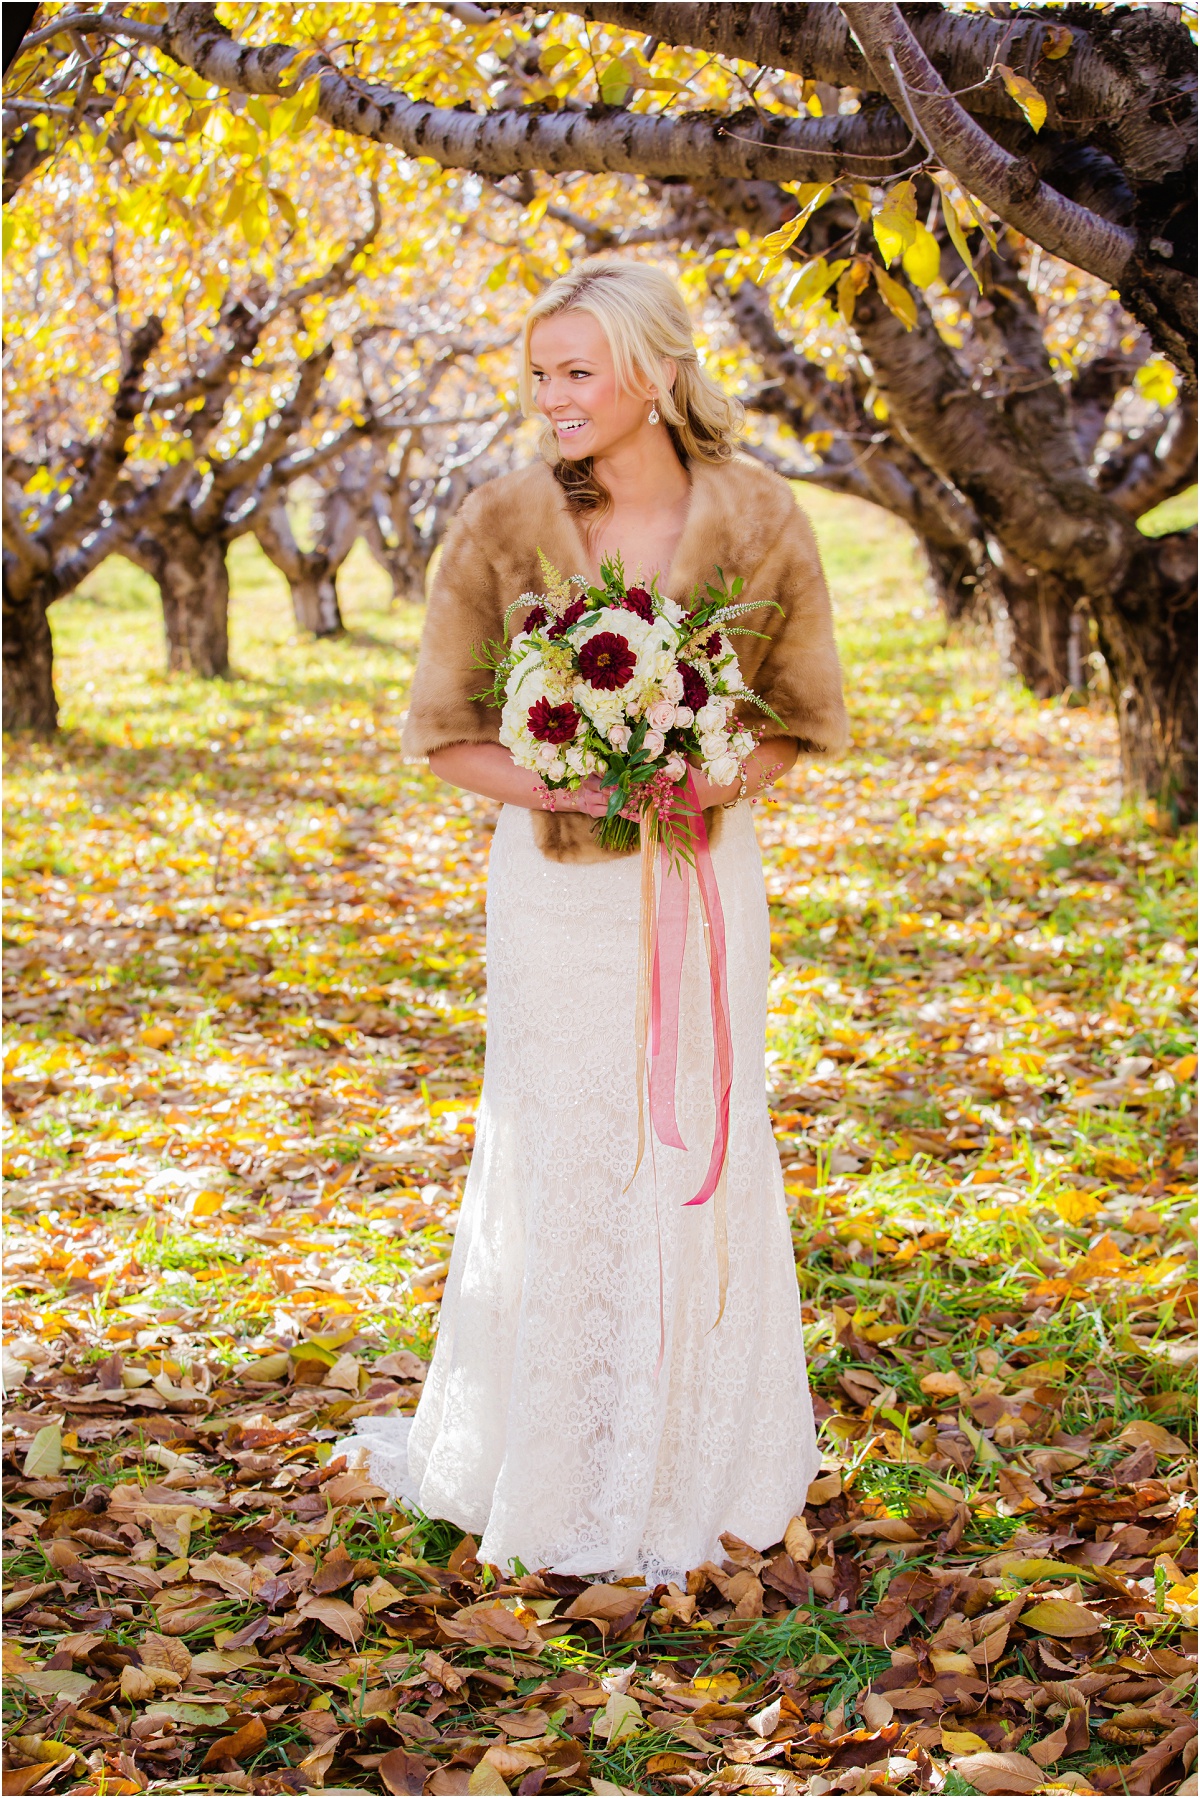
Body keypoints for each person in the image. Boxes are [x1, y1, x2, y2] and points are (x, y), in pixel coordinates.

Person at [342, 259, 847, 1586]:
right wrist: (573, 775)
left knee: (698, 1137)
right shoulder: (504, 520)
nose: (552, 397)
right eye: (541, 373)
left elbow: (797, 704)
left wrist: (718, 772)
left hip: (701, 880)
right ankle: (561, 1464)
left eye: (577, 371)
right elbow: (443, 731)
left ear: (655, 372)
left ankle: (703, 1463)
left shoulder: (757, 511)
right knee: (569, 1143)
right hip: (558, 896)